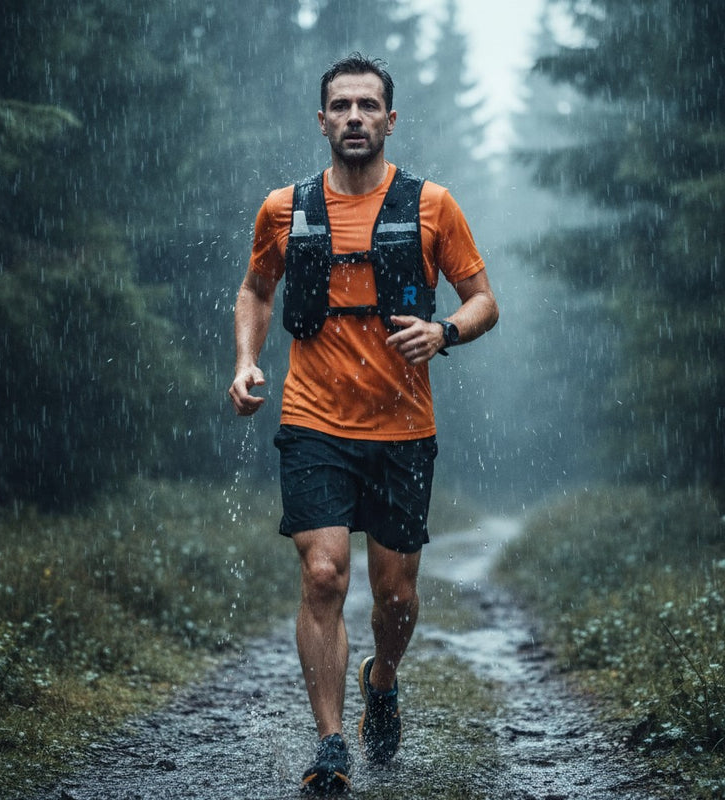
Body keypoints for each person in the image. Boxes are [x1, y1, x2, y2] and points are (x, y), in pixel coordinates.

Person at [228, 53, 498, 795]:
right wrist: (248, 361)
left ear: (389, 119)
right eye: (340, 106)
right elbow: (255, 290)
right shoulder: (284, 208)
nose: (353, 117)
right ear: (321, 121)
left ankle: (383, 680)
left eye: (367, 105)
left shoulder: (432, 206)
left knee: (396, 599)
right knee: (323, 575)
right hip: (313, 421)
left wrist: (445, 332)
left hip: (404, 429)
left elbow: (484, 301)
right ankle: (331, 743)